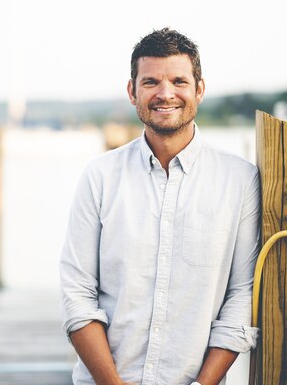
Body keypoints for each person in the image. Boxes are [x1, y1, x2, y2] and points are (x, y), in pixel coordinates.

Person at [60, 28, 260, 385]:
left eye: (179, 81)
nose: (165, 94)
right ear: (132, 91)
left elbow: (241, 297)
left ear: (199, 89)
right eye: (151, 82)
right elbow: (78, 294)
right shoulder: (99, 177)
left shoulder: (240, 181)